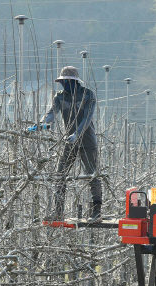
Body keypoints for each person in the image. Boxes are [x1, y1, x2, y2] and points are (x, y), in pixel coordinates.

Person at [33, 66, 102, 222]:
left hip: (87, 142)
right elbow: (52, 113)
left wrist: (76, 134)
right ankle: (58, 212)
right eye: (63, 82)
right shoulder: (59, 97)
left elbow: (87, 119)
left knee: (92, 175)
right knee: (60, 175)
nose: (65, 84)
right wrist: (42, 124)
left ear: (75, 82)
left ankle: (96, 211)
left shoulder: (88, 95)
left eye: (68, 81)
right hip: (69, 142)